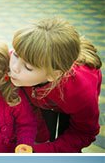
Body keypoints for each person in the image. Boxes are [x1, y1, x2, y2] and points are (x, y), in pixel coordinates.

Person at [9, 18, 102, 153]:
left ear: (53, 74)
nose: (14, 68)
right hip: (45, 97)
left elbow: (84, 133)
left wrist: (41, 151)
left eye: (28, 67)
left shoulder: (81, 93)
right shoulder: (22, 60)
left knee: (67, 139)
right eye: (16, 55)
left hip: (67, 102)